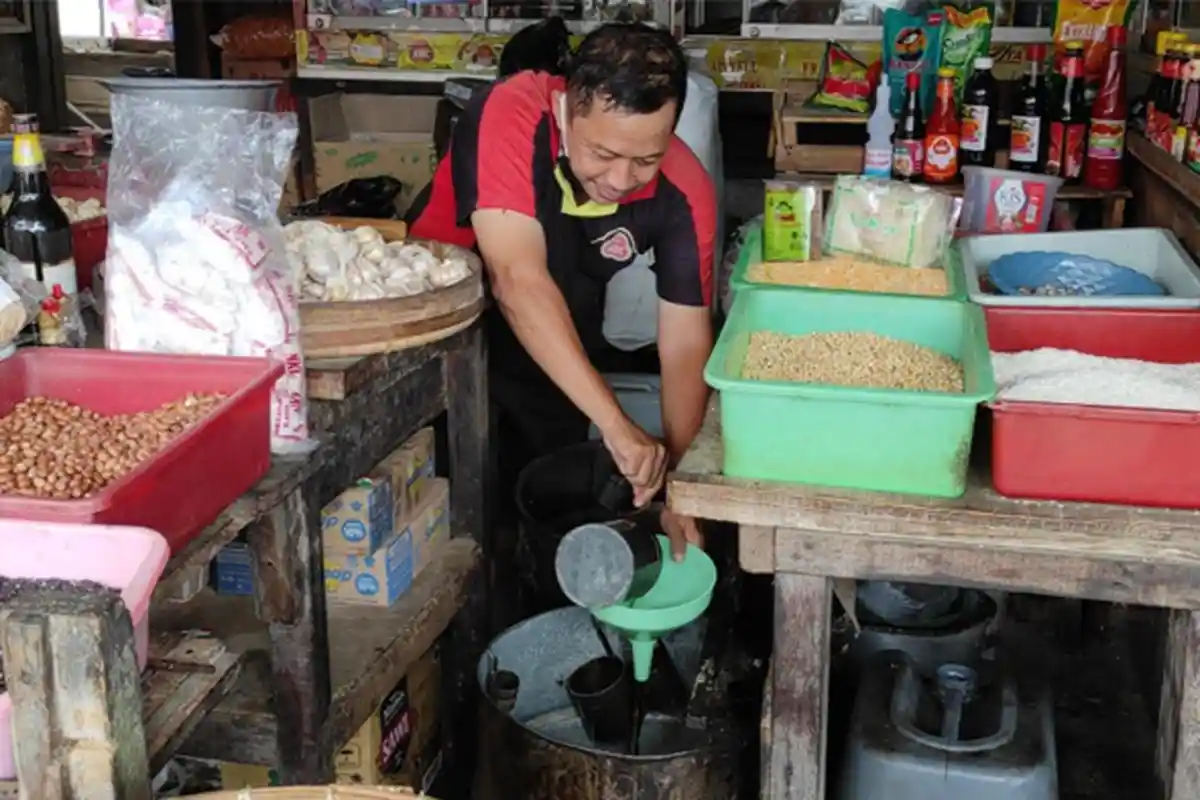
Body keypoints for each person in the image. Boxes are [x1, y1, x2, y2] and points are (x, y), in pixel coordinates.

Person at [406, 23, 716, 559]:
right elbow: (516, 279)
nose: (621, 179)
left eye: (645, 159)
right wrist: (618, 426)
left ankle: (526, 581)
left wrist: (682, 488)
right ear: (565, 106)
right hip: (445, 312)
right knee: (444, 485)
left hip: (561, 318)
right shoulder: (512, 111)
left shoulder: (685, 190)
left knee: (545, 481)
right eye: (602, 153)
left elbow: (686, 344)